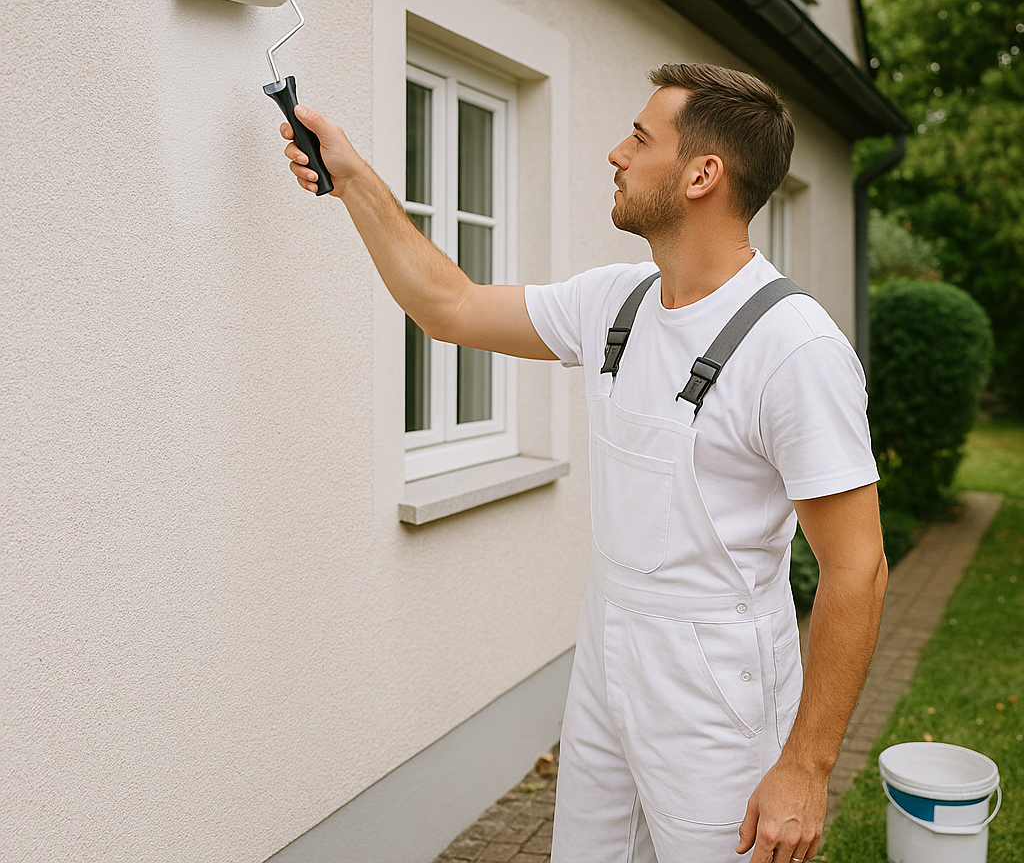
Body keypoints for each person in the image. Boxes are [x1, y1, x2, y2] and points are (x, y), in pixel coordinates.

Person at [277, 62, 887, 863]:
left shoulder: (793, 348)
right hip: (607, 653)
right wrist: (353, 179)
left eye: (639, 137)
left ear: (704, 174)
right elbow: (450, 307)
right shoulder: (618, 304)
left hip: (714, 694)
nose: (615, 153)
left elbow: (857, 567)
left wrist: (805, 768)